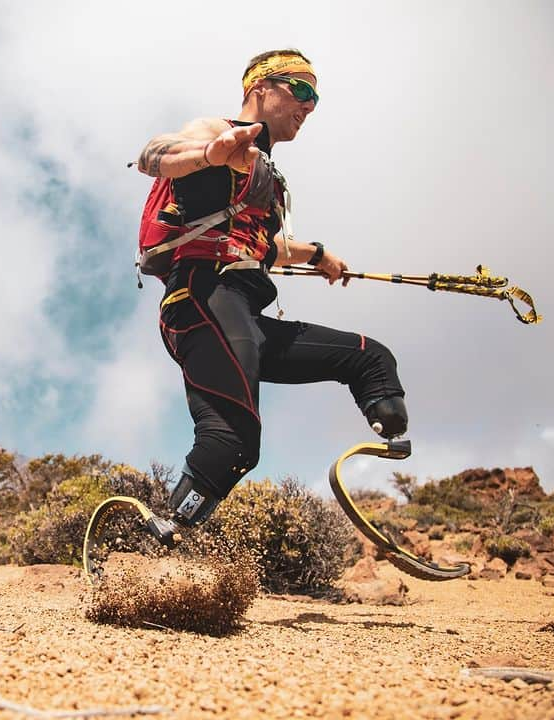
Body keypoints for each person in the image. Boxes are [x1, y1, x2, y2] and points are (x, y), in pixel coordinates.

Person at [134, 49, 408, 541]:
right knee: (234, 439)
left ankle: (391, 446)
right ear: (261, 88)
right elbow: (153, 157)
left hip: (243, 308)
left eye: (316, 98)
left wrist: (316, 253)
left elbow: (258, 246)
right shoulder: (212, 131)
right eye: (300, 91)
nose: (309, 105)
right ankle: (158, 537)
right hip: (201, 298)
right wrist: (212, 154)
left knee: (370, 359)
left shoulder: (267, 174)